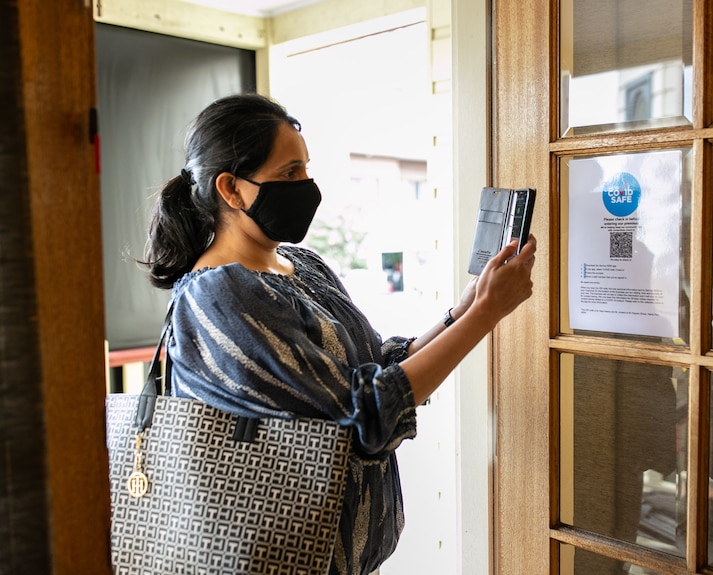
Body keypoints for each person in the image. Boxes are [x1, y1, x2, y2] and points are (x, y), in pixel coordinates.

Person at [143, 93, 536, 575]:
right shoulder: (221, 293)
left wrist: (469, 304)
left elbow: (380, 364)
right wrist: (486, 315)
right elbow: (361, 416)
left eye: (306, 170)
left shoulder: (300, 265)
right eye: (289, 174)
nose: (307, 187)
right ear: (231, 189)